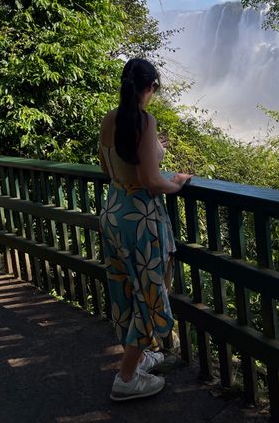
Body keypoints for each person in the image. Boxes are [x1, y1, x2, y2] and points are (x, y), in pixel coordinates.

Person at [98, 58, 191, 402]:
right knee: (152, 294)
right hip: (141, 221)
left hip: (113, 212)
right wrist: (177, 182)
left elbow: (107, 165)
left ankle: (135, 361)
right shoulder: (143, 120)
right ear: (150, 87)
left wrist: (152, 147)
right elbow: (152, 180)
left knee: (126, 290)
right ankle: (125, 379)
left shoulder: (111, 118)